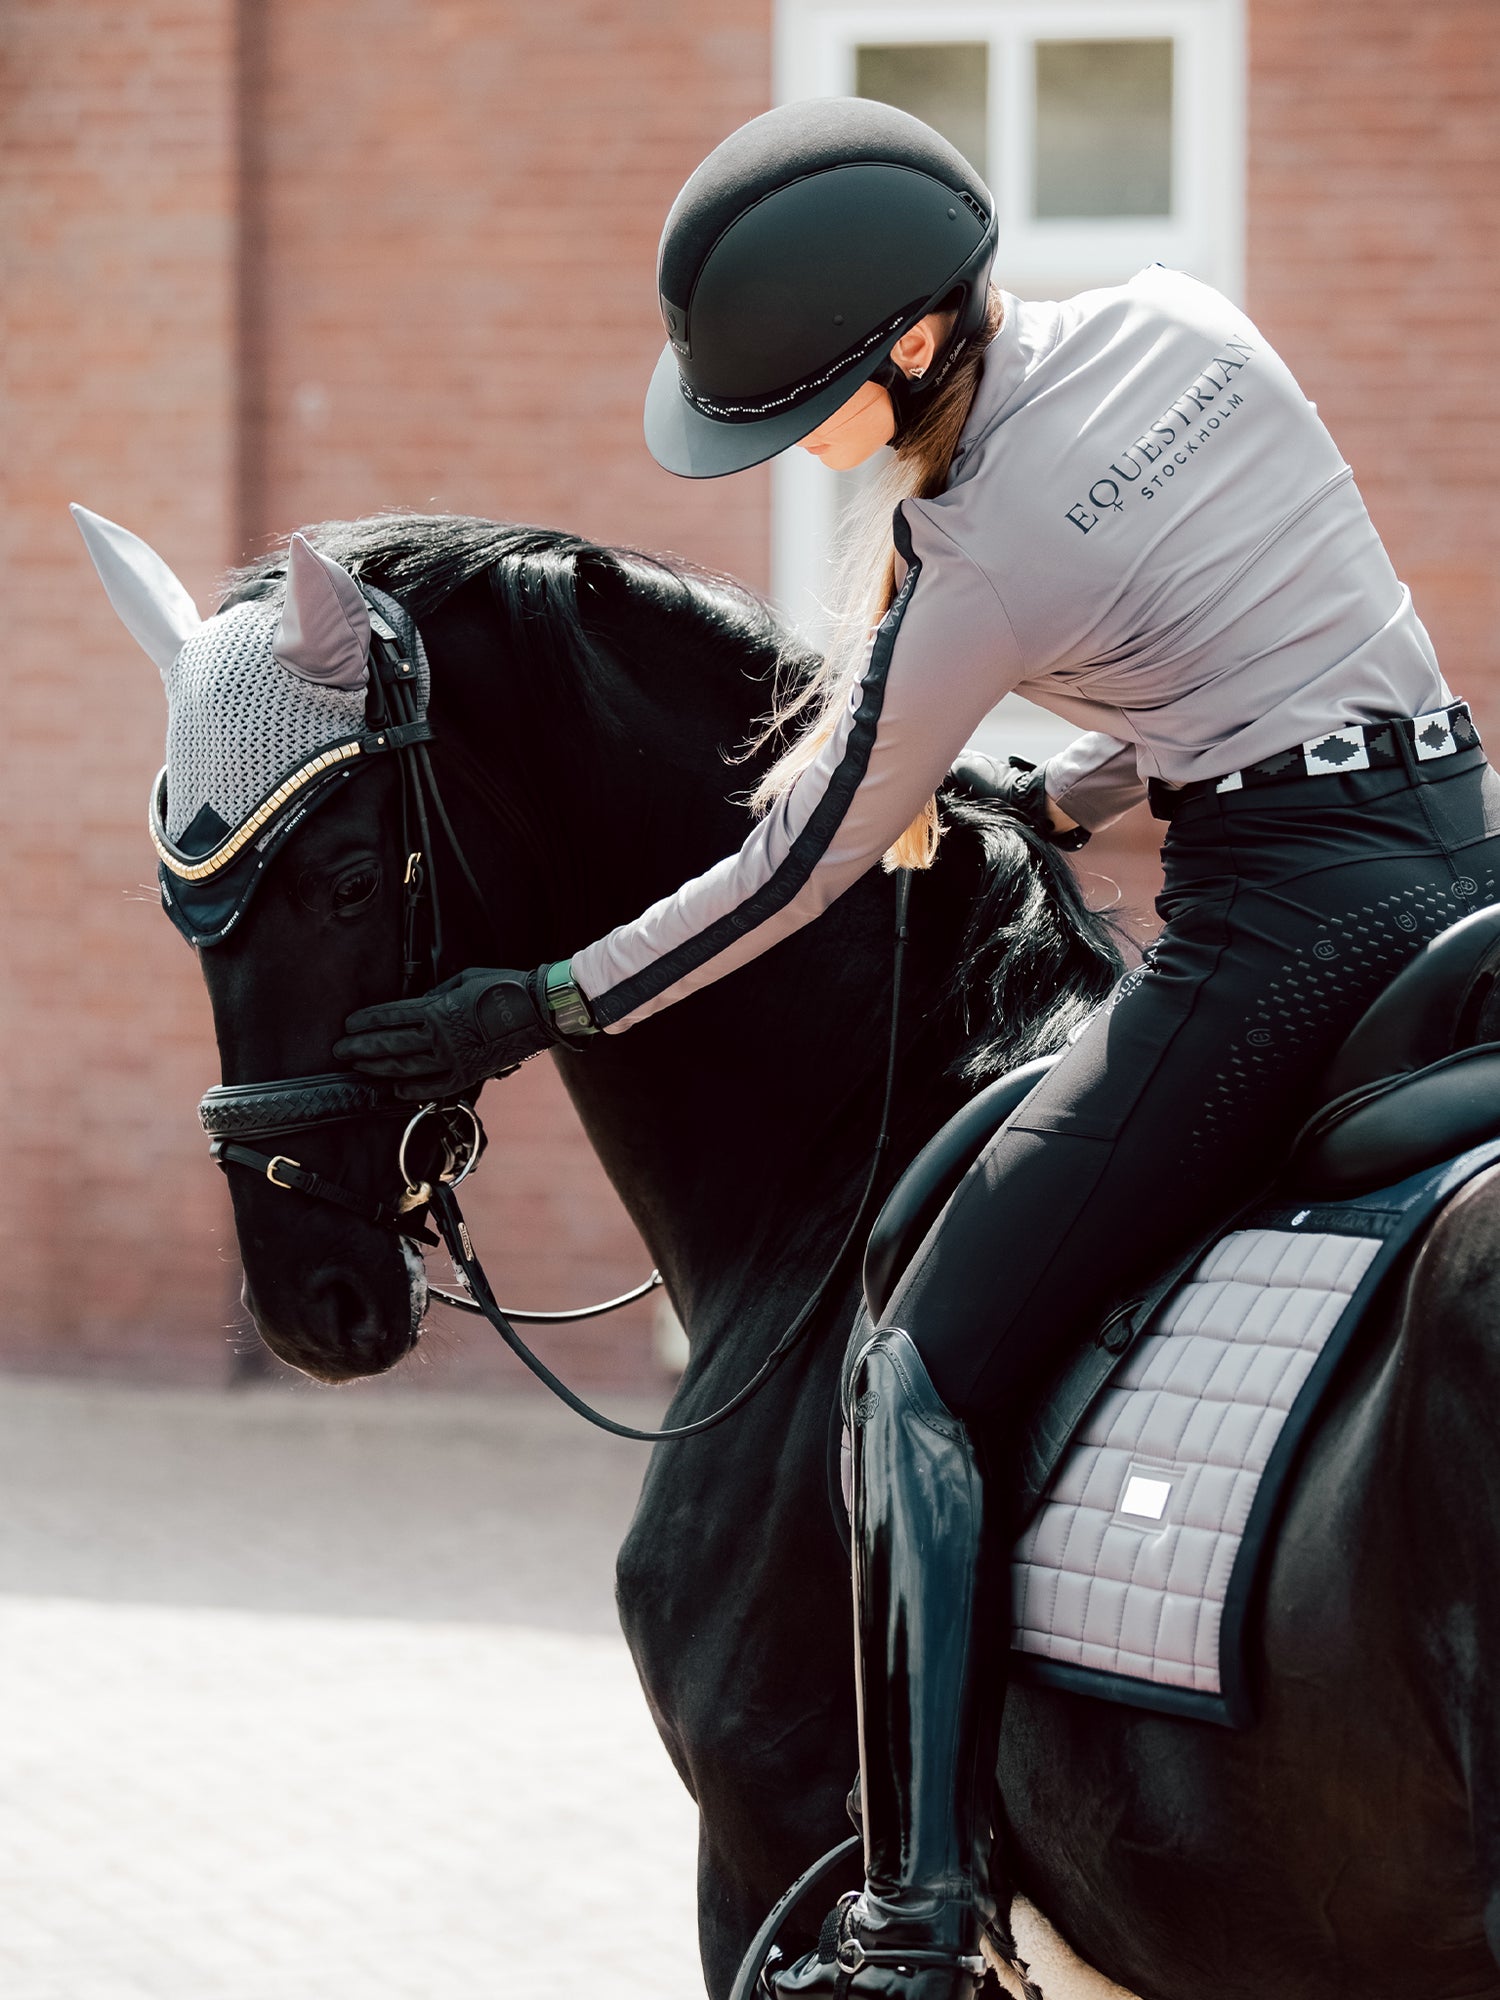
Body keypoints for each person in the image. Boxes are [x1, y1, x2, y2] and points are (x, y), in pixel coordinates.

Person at [336, 98, 1500, 1999]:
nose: (802, 447)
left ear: (914, 342)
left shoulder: (984, 545)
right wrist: (1076, 789)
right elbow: (1276, 636)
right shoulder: (1191, 322)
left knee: (918, 1369)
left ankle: (923, 1911)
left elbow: (803, 859)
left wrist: (549, 1002)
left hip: (1284, 934)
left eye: (809, 410)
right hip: (1456, 856)